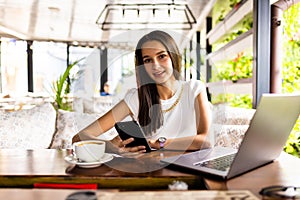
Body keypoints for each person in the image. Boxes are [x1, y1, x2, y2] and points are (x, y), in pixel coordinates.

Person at [72, 30, 212, 154]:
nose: (155, 65)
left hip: (191, 170)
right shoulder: (136, 98)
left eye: (161, 56)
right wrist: (110, 147)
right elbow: (79, 137)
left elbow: (205, 141)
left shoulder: (194, 89)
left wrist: (159, 143)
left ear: (173, 57)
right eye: (148, 60)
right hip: (150, 170)